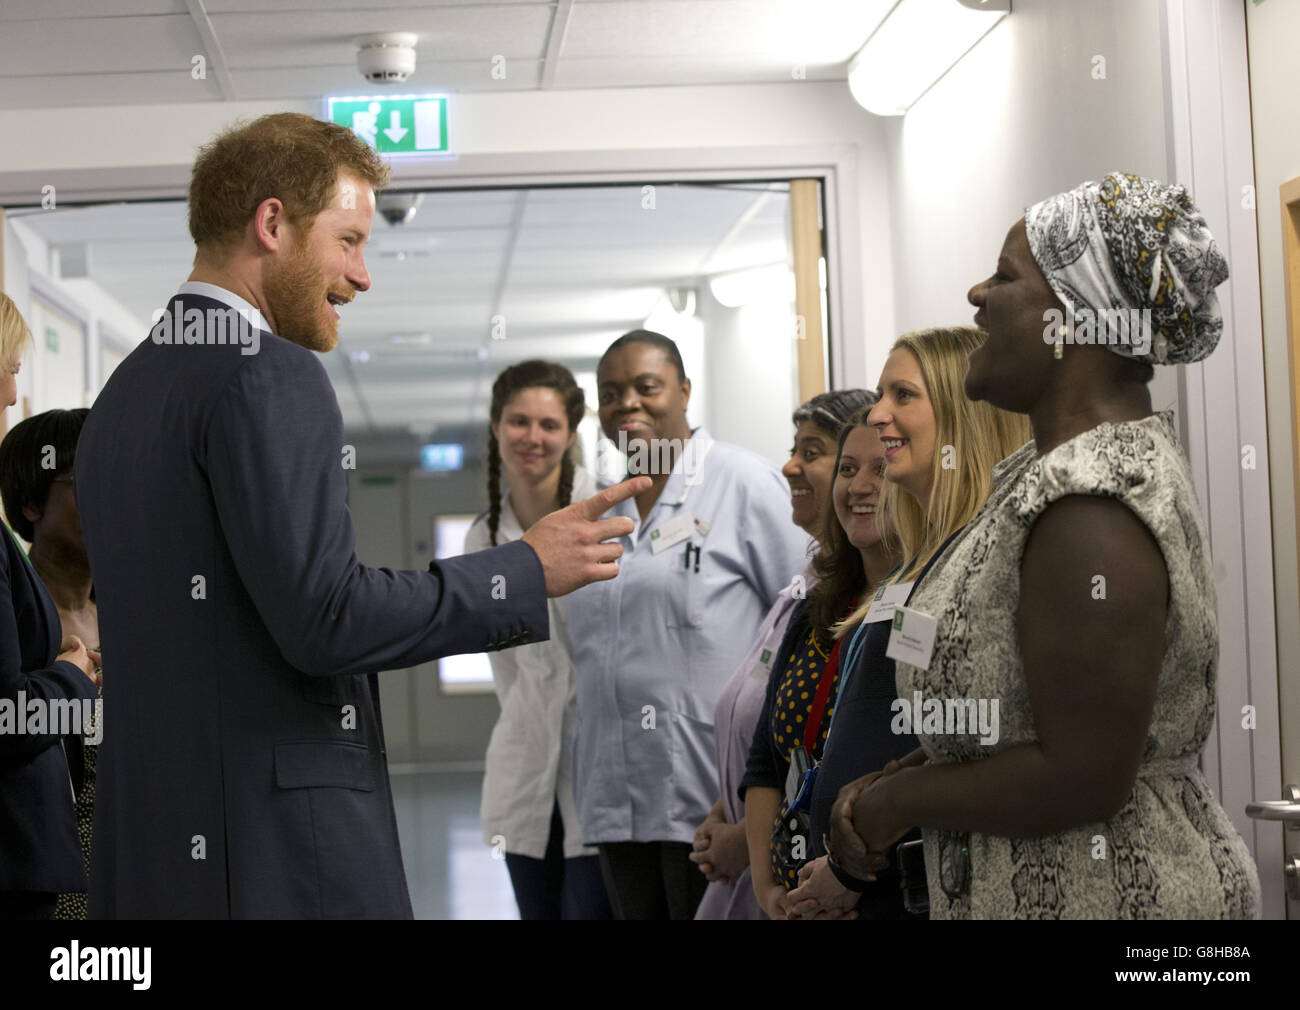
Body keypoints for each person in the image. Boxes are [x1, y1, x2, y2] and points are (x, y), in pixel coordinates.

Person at [74, 112, 648, 919]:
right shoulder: (267, 374)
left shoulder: (122, 397)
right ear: (273, 223)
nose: (362, 274)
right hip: (277, 855)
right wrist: (524, 569)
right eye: (348, 240)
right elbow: (325, 617)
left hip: (154, 851)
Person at [832, 173, 1262, 918]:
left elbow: (1083, 774)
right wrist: (897, 774)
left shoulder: (1089, 502)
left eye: (1005, 277)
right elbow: (1021, 720)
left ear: (1072, 318)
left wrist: (893, 803)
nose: (976, 294)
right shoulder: (1045, 477)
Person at [563, 329, 810, 920]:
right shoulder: (604, 510)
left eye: (647, 387)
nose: (629, 404)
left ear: (684, 391)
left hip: (713, 795)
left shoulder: (740, 483)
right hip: (617, 794)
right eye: (611, 393)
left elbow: (806, 616)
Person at [790, 326, 1030, 920]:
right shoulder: (925, 561)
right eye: (880, 394)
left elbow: (997, 741)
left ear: (960, 416)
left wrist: (864, 840)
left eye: (902, 395)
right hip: (876, 880)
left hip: (924, 885)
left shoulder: (995, 555)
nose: (877, 413)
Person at [692, 388, 874, 921]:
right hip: (769, 873)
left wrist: (743, 841)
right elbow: (772, 743)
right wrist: (728, 817)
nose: (790, 466)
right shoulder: (809, 598)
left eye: (813, 452)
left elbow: (850, 759)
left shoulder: (886, 606)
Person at [741, 398, 903, 920]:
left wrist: (846, 881)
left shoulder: (928, 607)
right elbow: (767, 759)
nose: (858, 487)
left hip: (880, 897)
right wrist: (769, 890)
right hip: (794, 899)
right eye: (848, 469)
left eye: (881, 470)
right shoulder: (816, 609)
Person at [464, 360, 611, 920]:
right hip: (522, 771)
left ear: (570, 435)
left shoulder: (608, 519)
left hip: (599, 768)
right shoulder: (482, 537)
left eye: (548, 425)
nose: (532, 437)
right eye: (518, 421)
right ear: (496, 427)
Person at [0, 295, 101, 920]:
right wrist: (70, 677)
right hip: (52, 876)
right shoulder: (27, 611)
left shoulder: (143, 611)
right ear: (33, 505)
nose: (13, 393)